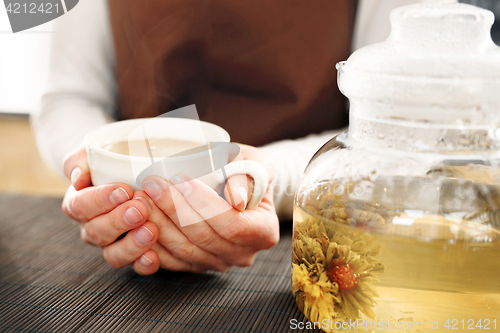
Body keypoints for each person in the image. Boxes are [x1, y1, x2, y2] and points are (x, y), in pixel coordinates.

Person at [32, 0, 420, 275]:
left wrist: (268, 177)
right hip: (127, 231)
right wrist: (93, 170)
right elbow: (69, 97)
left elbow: (397, 132)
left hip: (311, 234)